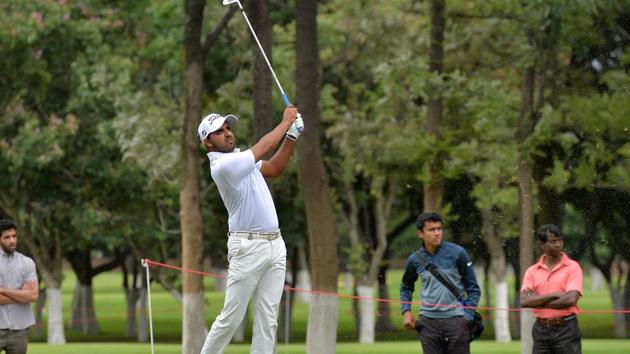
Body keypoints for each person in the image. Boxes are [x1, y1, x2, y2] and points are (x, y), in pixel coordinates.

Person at [199, 105, 303, 354]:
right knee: (231, 318)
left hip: (275, 246)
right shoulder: (223, 166)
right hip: (247, 248)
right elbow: (265, 147)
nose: (227, 133)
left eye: (227, 128)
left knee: (268, 319)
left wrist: (292, 137)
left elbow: (275, 168)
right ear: (208, 142)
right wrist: (286, 122)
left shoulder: (240, 159)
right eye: (219, 132)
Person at [400, 212, 481, 354]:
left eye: (439, 229)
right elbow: (406, 287)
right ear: (421, 234)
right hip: (428, 323)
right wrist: (406, 311)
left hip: (457, 321)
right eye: (432, 230)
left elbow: (473, 289)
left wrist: (467, 316)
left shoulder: (458, 253)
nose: (437, 233)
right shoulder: (415, 259)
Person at [520, 224, 583, 354]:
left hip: (566, 328)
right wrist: (554, 295)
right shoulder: (532, 271)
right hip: (541, 330)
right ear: (542, 245)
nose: (558, 244)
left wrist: (538, 301)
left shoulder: (573, 267)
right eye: (553, 241)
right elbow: (524, 301)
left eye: (560, 240)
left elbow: (571, 300)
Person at [0, 219, 39, 354]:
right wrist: (22, 295)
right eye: (7, 237)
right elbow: (27, 296)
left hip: (20, 329)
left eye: (14, 236)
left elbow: (33, 295)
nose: (12, 241)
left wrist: (3, 290)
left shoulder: (27, 263)